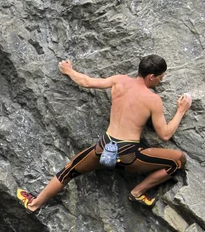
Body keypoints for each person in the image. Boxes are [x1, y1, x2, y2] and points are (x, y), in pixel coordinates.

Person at [17, 54, 192, 212]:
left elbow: (86, 82)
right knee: (178, 160)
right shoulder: (153, 100)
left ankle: (34, 205)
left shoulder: (119, 80)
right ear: (151, 77)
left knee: (68, 171)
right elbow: (165, 134)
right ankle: (138, 192)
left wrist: (69, 70)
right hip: (128, 156)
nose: (161, 80)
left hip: (104, 148)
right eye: (160, 77)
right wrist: (181, 111)